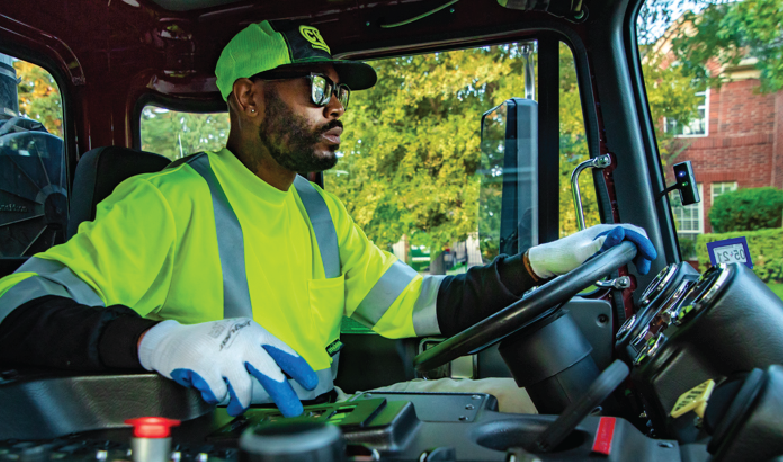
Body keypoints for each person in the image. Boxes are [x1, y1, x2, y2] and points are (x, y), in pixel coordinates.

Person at [0, 20, 656, 418]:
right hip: (224, 436)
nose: (337, 106)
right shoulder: (169, 201)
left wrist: (543, 263)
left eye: (339, 91)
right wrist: (157, 342)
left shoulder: (319, 209)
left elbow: (422, 305)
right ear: (249, 98)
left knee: (548, 419)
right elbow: (18, 306)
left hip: (328, 419)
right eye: (317, 89)